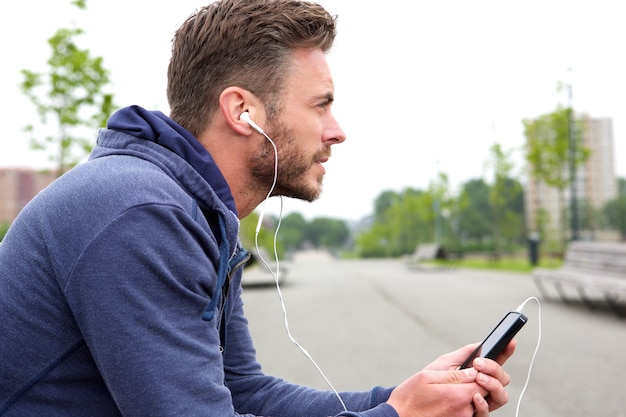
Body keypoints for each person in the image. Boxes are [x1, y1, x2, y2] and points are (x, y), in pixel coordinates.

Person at [0, 0, 516, 416]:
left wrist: (405, 397)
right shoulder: (140, 212)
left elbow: (246, 394)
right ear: (243, 110)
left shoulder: (198, 214)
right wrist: (401, 416)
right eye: (321, 104)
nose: (337, 130)